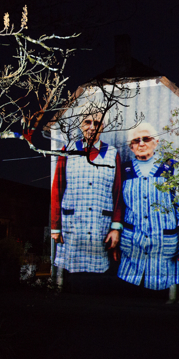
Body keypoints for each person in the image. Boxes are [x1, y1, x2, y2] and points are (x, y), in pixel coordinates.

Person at [117, 122, 179, 291]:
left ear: (156, 142)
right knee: (129, 298)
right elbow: (118, 207)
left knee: (159, 302)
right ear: (131, 146)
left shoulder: (171, 168)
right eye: (136, 140)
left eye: (146, 138)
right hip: (132, 249)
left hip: (163, 249)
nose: (141, 143)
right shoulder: (124, 170)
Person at [50, 111, 124, 274]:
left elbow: (118, 193)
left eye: (96, 124)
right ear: (81, 125)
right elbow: (57, 189)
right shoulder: (68, 150)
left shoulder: (112, 153)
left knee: (97, 277)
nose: (91, 127)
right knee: (73, 277)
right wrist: (55, 227)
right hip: (72, 226)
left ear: (103, 127)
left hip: (100, 227)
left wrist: (115, 227)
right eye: (87, 122)